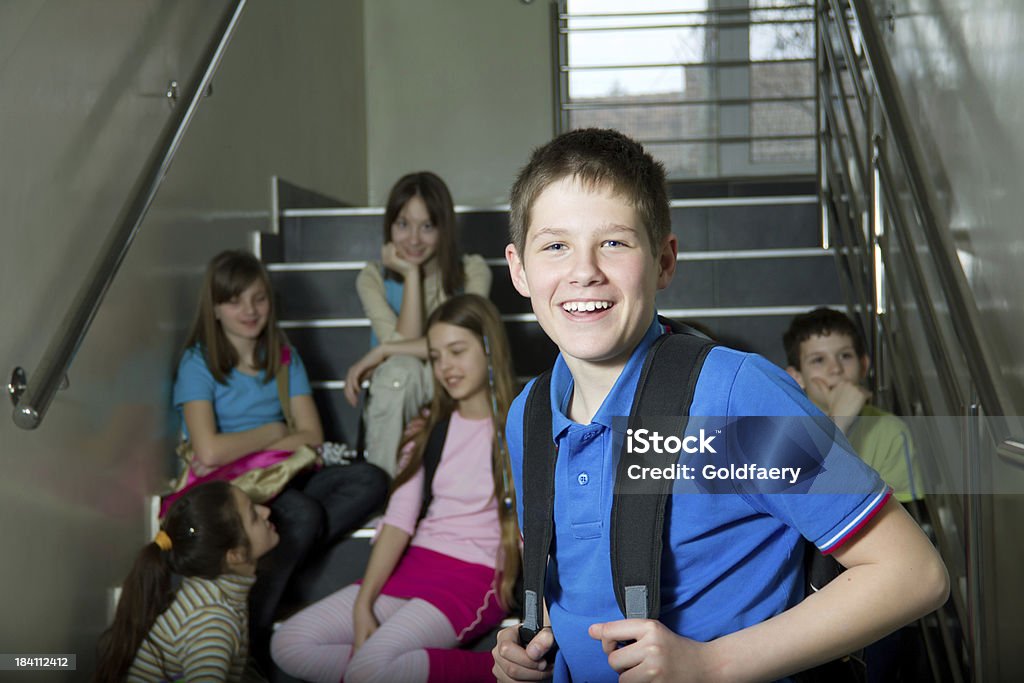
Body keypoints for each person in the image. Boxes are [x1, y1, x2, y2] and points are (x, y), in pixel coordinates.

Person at [493, 128, 949, 682]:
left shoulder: (736, 397)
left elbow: (912, 572)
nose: (584, 270)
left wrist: (710, 664)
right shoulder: (530, 413)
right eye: (555, 245)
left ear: (664, 261)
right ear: (520, 269)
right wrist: (533, 644)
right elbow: (575, 583)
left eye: (614, 242)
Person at [272, 294, 519, 683]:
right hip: (416, 563)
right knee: (290, 642)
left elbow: (534, 524)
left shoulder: (523, 428)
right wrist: (364, 602)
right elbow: (399, 519)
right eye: (436, 357)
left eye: (457, 351)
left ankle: (505, 675)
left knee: (369, 670)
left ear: (490, 349)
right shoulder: (427, 433)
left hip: (475, 575)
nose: (446, 368)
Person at [173, 250, 389, 661]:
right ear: (215, 308)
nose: (249, 310)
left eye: (258, 298)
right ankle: (252, 634)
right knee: (301, 514)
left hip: (286, 472)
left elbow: (311, 435)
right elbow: (209, 450)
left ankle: (281, 556)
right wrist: (275, 432)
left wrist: (273, 442)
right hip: (236, 488)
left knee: (370, 481)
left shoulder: (283, 356)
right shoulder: (198, 362)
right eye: (235, 301)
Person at [344, 172, 492, 476]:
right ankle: (382, 490)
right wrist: (412, 275)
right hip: (399, 387)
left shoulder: (473, 271)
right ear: (389, 226)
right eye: (403, 224)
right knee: (401, 371)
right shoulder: (373, 278)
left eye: (427, 226)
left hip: (456, 377)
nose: (413, 239)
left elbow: (461, 343)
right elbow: (405, 350)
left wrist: (383, 349)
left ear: (444, 228)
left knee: (403, 366)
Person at [94, 481, 277, 682]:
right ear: (235, 555)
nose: (266, 512)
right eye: (253, 516)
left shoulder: (206, 588)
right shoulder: (213, 623)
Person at [783, 307, 923, 503]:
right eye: (818, 360)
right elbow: (801, 506)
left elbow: (902, 518)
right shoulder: (782, 431)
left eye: (845, 356)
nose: (835, 369)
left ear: (864, 366)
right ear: (796, 377)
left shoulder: (891, 430)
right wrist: (838, 423)